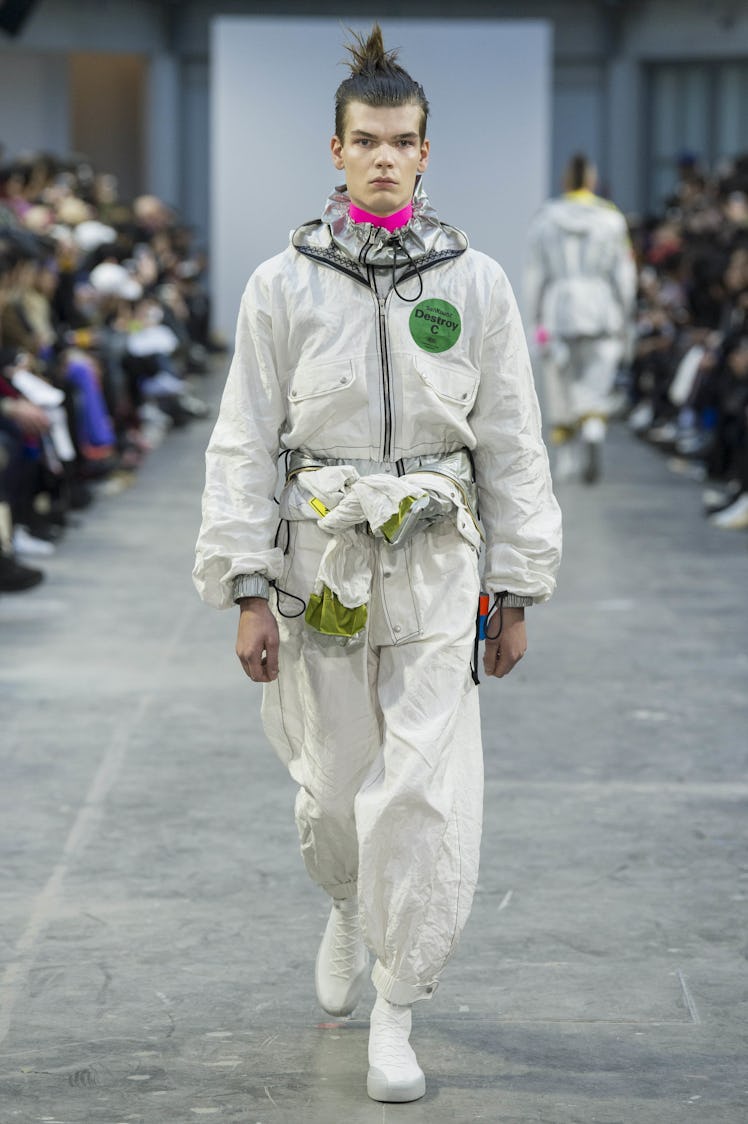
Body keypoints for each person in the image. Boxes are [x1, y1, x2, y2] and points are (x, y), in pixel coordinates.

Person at [194, 25, 561, 1104]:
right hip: (322, 565)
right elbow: (243, 437)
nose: (386, 158)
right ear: (337, 149)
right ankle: (350, 903)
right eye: (368, 141)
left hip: (443, 563)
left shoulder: (477, 281)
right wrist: (248, 583)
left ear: (426, 152)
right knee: (335, 790)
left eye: (404, 141)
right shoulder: (282, 283)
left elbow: (511, 436)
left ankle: (396, 1005)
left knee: (419, 793)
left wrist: (520, 582)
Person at [525, 152, 637, 482]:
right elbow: (625, 273)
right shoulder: (611, 219)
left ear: (564, 182)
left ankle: (566, 456)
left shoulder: (545, 218)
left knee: (560, 380)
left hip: (558, 307)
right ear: (592, 182)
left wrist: (535, 317)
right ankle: (592, 424)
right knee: (597, 375)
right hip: (601, 306)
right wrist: (626, 311)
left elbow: (535, 274)